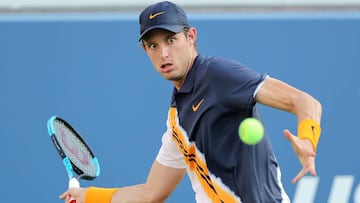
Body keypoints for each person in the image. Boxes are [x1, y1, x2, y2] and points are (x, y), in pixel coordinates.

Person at [60, 1, 322, 202]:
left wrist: (307, 140)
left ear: (191, 37)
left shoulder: (218, 74)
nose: (163, 53)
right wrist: (88, 195)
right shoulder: (177, 119)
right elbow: (151, 193)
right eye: (153, 45)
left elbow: (304, 101)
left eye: (171, 40)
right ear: (144, 50)